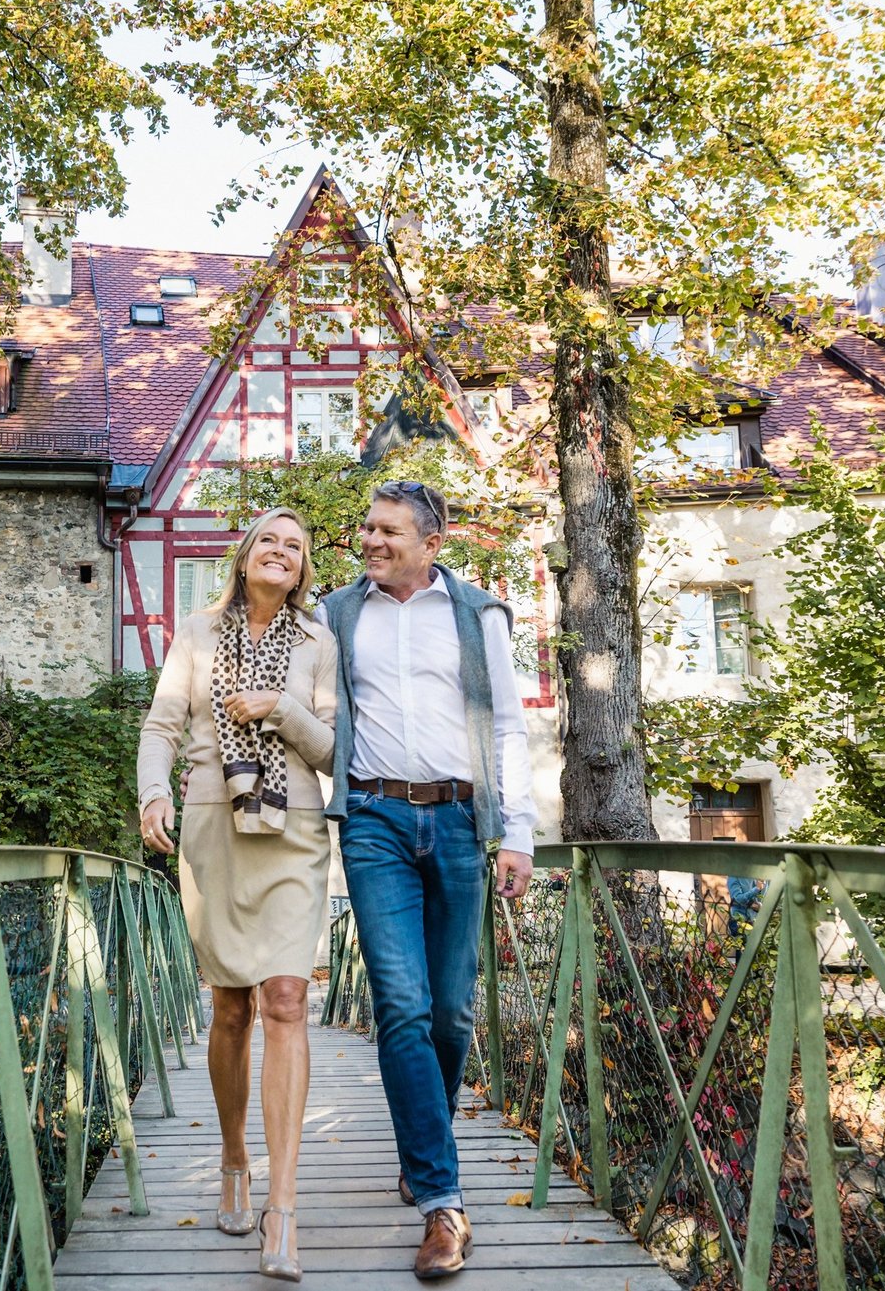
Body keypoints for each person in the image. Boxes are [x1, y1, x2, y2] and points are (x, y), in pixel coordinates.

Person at [320, 480, 535, 1281]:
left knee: (452, 1010)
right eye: (366, 529)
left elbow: (508, 726)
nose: (370, 541)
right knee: (401, 1005)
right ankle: (442, 1201)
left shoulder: (478, 616)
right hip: (373, 820)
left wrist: (517, 833)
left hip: (457, 823)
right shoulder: (338, 615)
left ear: (431, 541)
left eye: (387, 531)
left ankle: (424, 1144)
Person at [137, 506, 338, 1284]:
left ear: (303, 567)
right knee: (232, 1006)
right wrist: (154, 793)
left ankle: (282, 1204)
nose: (282, 551)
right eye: (271, 540)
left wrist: (281, 710)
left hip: (294, 829)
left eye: (297, 543)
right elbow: (161, 725)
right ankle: (232, 1155)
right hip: (212, 824)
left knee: (286, 997)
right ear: (245, 553)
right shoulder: (195, 633)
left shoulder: (321, 642)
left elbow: (332, 748)